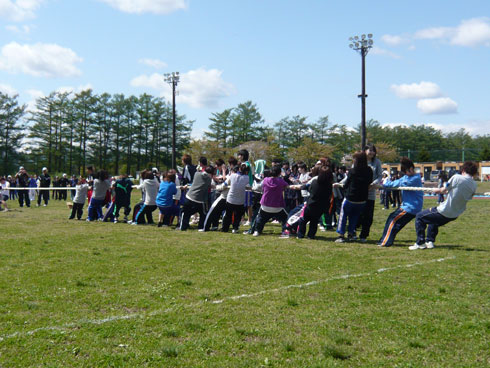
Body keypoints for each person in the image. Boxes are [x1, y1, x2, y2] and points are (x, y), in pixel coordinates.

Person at [410, 161, 478, 250]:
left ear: (463, 169)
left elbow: (442, 190)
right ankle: (429, 241)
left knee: (419, 217)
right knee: (433, 220)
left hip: (444, 211)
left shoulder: (457, 177)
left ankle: (420, 243)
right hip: (455, 214)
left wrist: (434, 190)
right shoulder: (474, 184)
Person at [377, 157, 423, 247]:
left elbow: (402, 182)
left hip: (411, 207)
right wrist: (380, 185)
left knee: (392, 219)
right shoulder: (406, 177)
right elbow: (395, 183)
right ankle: (387, 241)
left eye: (405, 171)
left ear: (411, 169)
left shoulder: (416, 178)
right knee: (396, 224)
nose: (405, 174)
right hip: (408, 206)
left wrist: (383, 185)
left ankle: (385, 242)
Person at [334, 152, 373, 243]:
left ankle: (341, 235)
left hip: (350, 197)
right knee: (354, 217)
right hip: (362, 199)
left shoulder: (353, 171)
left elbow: (347, 183)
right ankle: (351, 234)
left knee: (343, 216)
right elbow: (369, 182)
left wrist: (341, 187)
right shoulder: (369, 170)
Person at [297, 165, 333, 239]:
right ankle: (311, 235)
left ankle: (301, 235)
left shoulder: (315, 182)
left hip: (311, 204)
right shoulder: (329, 185)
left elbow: (309, 189)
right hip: (321, 206)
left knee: (303, 220)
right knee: (314, 221)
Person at [252, 165, 290, 237]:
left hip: (265, 205)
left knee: (260, 218)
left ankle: (257, 231)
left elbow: (258, 187)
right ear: (279, 173)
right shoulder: (281, 181)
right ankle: (285, 232)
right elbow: (287, 186)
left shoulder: (265, 180)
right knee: (285, 218)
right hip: (277, 206)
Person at [358, 144, 383, 242]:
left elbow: (380, 176)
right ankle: (353, 232)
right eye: (370, 150)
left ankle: (364, 235)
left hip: (371, 191)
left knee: (368, 215)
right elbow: (353, 172)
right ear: (365, 151)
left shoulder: (377, 162)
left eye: (373, 150)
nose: (372, 152)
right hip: (359, 191)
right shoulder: (360, 161)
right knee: (359, 213)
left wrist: (374, 183)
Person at [178, 166, 214, 231]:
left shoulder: (196, 174)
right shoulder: (209, 178)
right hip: (200, 200)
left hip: (190, 196)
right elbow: (208, 185)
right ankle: (201, 227)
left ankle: (183, 227)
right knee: (203, 214)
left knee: (185, 212)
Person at [221, 163, 250, 233]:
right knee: (238, 216)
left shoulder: (232, 175)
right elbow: (247, 185)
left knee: (228, 215)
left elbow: (225, 184)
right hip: (240, 200)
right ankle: (235, 228)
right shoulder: (247, 178)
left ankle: (225, 228)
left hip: (231, 199)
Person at [237, 149, 254, 225]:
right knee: (242, 203)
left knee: (248, 204)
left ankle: (250, 220)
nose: (238, 156)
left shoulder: (246, 164)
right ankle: (242, 219)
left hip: (247, 186)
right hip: (243, 186)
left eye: (239, 155)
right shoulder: (243, 164)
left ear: (243, 156)